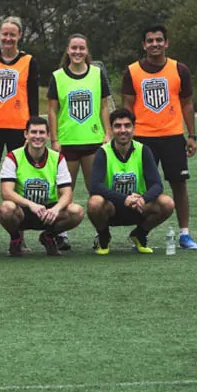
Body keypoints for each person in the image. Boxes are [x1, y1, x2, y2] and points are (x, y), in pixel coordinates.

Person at [120, 24, 197, 250]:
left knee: (179, 184)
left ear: (166, 43)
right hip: (143, 138)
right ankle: (141, 234)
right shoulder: (132, 71)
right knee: (143, 188)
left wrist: (191, 135)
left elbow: (187, 104)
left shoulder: (179, 69)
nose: (155, 44)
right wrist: (127, 137)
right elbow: (127, 106)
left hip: (173, 136)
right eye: (150, 40)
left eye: (158, 40)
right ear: (144, 45)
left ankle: (184, 234)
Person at [0, 17, 39, 255]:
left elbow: (32, 95)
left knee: (19, 183)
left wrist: (32, 128)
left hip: (18, 127)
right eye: (5, 34)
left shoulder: (28, 61)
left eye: (13, 34)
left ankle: (19, 238)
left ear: (20, 36)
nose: (8, 39)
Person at [47, 33, 112, 248]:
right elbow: (53, 111)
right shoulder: (58, 76)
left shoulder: (96, 73)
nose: (77, 52)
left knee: (97, 190)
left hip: (93, 141)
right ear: (67, 50)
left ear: (87, 51)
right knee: (65, 191)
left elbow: (104, 106)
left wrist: (107, 133)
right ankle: (61, 234)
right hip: (67, 142)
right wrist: (54, 139)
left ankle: (100, 233)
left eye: (81, 48)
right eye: (73, 48)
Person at [87, 108, 175, 254]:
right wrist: (124, 199)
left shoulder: (143, 150)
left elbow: (157, 184)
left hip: (138, 207)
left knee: (167, 203)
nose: (123, 130)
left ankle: (140, 234)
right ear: (112, 129)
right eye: (118, 126)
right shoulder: (103, 152)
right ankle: (103, 237)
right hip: (112, 208)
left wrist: (143, 198)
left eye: (127, 125)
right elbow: (95, 186)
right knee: (94, 203)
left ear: (134, 128)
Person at [0, 116, 84, 256]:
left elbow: (67, 193)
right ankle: (15, 239)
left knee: (77, 211)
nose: (37, 136)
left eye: (42, 132)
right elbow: (6, 193)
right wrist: (31, 204)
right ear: (26, 134)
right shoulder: (13, 157)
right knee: (6, 208)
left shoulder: (57, 158)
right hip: (23, 211)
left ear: (48, 135)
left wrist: (56, 209)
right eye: (34, 132)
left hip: (48, 212)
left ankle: (49, 236)